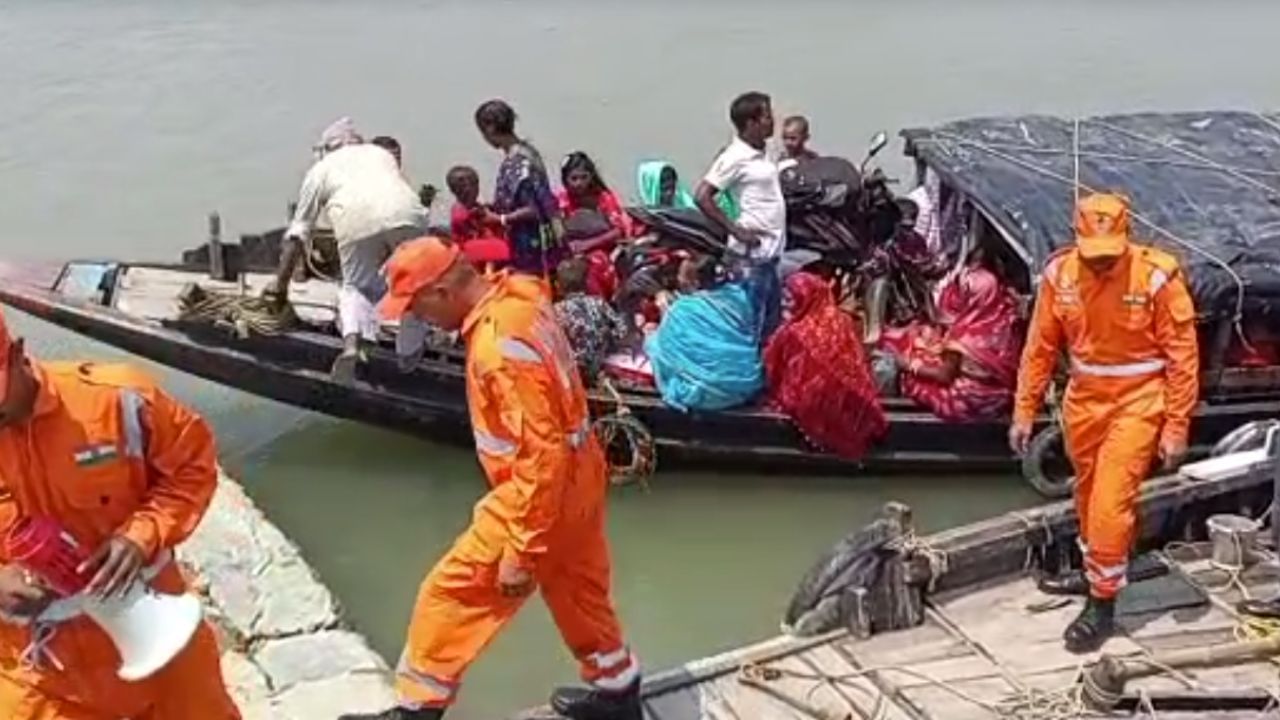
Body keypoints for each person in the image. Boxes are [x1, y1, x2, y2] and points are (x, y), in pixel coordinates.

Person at [345, 238, 639, 720]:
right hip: (581, 473)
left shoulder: (498, 346)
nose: (416, 318)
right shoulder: (521, 299)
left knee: (449, 594)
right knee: (579, 590)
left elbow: (538, 454)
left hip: (538, 493)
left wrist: (521, 551)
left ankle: (417, 709)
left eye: (416, 305)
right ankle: (619, 690)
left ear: (442, 290)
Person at [0, 311, 240, 719]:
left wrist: (141, 534)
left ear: (19, 354)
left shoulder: (117, 399)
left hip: (161, 638)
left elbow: (192, 467)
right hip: (39, 673)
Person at [1009, 193, 1199, 653]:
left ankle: (1102, 605)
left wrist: (1176, 425)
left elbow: (1182, 356)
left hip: (1139, 401)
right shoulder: (1060, 274)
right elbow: (1040, 347)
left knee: (1112, 500)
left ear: (1126, 237)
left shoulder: (1156, 275)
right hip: (1084, 401)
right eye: (1093, 256)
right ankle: (1099, 568)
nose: (1100, 266)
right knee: (1089, 494)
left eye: (1109, 256)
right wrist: (1024, 409)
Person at [271, 117, 429, 384]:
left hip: (356, 223)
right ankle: (410, 349)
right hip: (408, 214)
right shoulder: (379, 153)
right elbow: (388, 194)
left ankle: (353, 346)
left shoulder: (320, 170)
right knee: (414, 281)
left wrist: (279, 286)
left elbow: (298, 233)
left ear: (327, 149)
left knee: (354, 287)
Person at [764, 272, 887, 459]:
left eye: (791, 297)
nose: (787, 303)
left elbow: (772, 366)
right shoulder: (843, 321)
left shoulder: (793, 331)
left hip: (811, 404)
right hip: (852, 400)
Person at [695, 92, 787, 340]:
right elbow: (703, 196)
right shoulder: (734, 157)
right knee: (749, 326)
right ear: (751, 123)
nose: (773, 121)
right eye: (767, 116)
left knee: (771, 326)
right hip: (750, 258)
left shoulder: (766, 151)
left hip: (770, 254)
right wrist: (735, 229)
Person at [894, 245, 1023, 422]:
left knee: (912, 379)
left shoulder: (963, 337)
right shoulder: (1005, 324)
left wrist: (910, 365)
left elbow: (944, 376)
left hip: (972, 400)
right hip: (1002, 395)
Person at [645, 255, 765, 411]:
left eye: (681, 278)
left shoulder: (682, 309)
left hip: (705, 393)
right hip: (743, 387)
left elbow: (668, 348)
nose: (679, 282)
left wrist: (655, 327)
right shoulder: (739, 298)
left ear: (694, 283)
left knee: (653, 342)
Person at [474, 100, 566, 277]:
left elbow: (533, 209)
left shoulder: (518, 163)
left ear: (490, 128)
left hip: (532, 247)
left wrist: (500, 219)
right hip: (538, 244)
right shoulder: (527, 152)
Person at [553, 257, 629, 381]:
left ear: (558, 286)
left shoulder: (558, 310)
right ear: (586, 283)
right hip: (599, 364)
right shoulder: (598, 303)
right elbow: (622, 331)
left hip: (573, 370)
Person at [558, 151, 633, 251]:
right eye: (574, 178)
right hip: (573, 250)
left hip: (604, 249)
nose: (579, 183)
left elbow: (619, 230)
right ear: (565, 179)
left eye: (584, 177)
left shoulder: (604, 198)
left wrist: (588, 244)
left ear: (591, 177)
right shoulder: (561, 200)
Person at [446, 165, 511, 269]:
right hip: (473, 260)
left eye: (473, 184)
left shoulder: (478, 208)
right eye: (461, 187)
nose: (468, 189)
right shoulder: (461, 214)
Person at [636, 161, 739, 219]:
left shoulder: (687, 211)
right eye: (663, 188)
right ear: (649, 187)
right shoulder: (640, 219)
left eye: (672, 187)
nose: (669, 193)